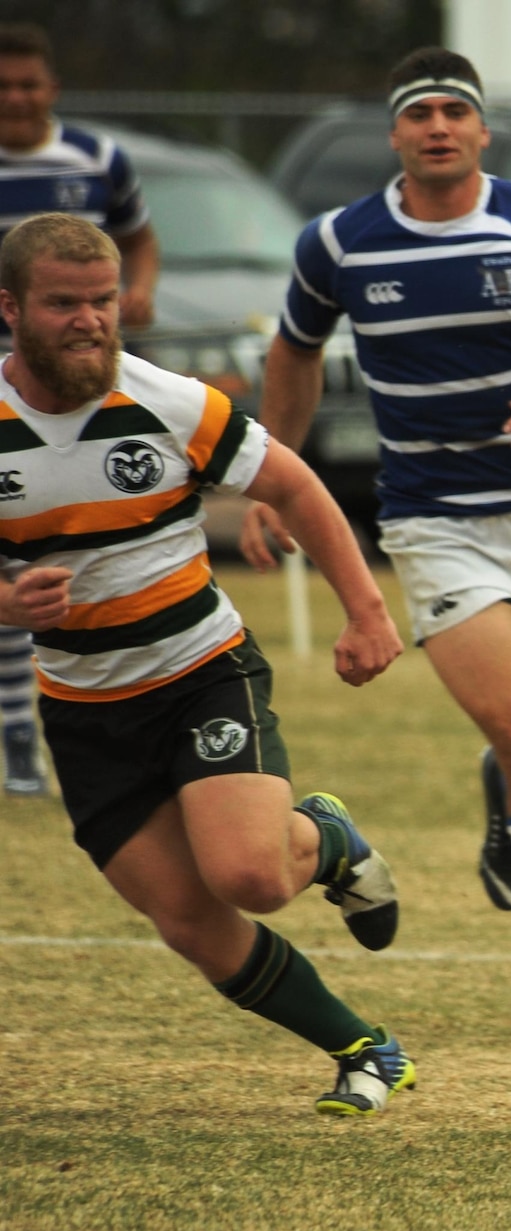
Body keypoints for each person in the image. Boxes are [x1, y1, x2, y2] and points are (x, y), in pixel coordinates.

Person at [237, 47, 511, 1037]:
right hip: (435, 523)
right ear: (394, 134)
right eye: (418, 113)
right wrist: (271, 472)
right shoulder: (338, 244)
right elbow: (293, 352)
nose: (437, 126)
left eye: (454, 111)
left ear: (481, 129)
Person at [0, 214, 412, 1114]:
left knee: (252, 877)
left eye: (103, 301)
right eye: (63, 303)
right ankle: (365, 1048)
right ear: (11, 310)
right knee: (188, 919)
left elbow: (295, 483)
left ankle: (327, 838)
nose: (90, 321)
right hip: (81, 708)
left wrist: (368, 609)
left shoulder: (170, 402)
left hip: (200, 674)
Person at [0, 21, 160, 798]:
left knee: (46, 556)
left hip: (74, 382)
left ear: (51, 88)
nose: (18, 98)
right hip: (9, 380)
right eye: (5, 87)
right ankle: (18, 726)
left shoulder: (97, 160)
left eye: (29, 84)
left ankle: (34, 725)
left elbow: (139, 234)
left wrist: (137, 291)